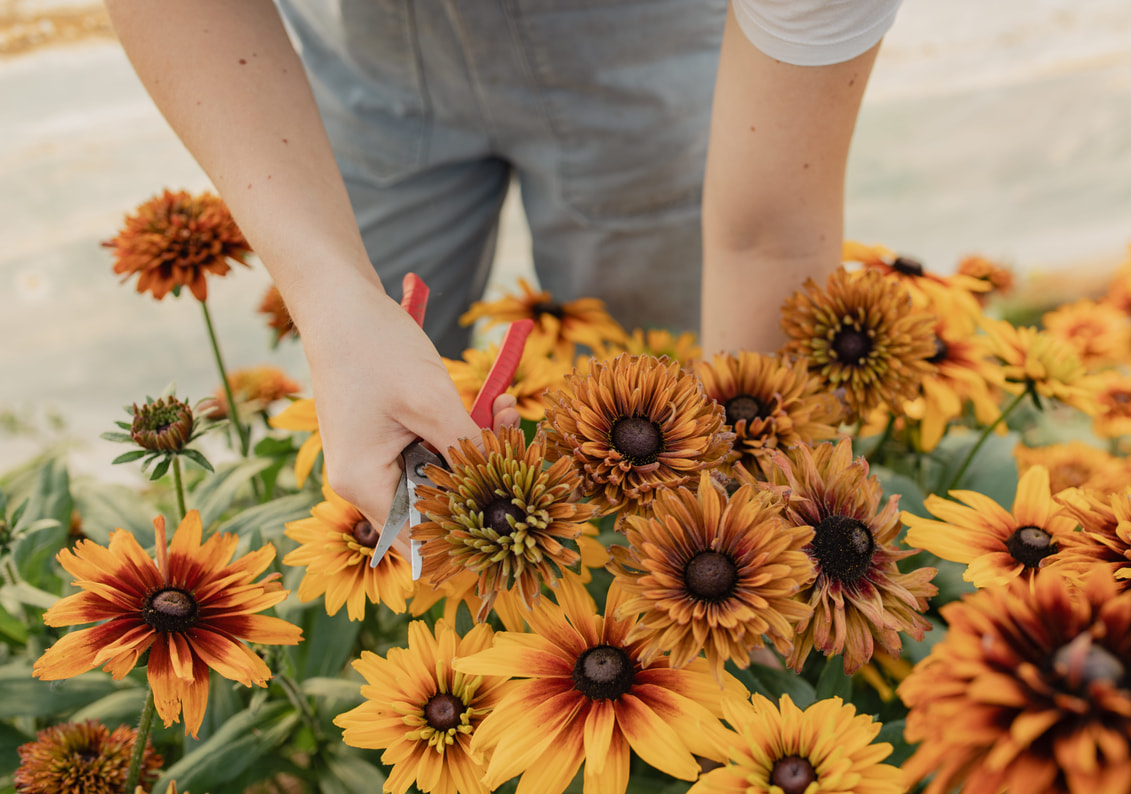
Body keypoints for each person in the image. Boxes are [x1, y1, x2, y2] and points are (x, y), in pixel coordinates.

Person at [103, 0, 900, 547]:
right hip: (362, 45)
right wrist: (328, 292)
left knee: (658, 384)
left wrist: (739, 532)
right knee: (364, 401)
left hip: (643, 57)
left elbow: (767, 235)